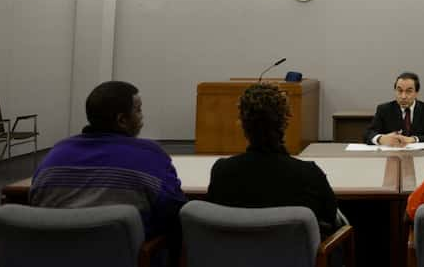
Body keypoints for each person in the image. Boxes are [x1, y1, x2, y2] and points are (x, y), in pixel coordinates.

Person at [30, 81, 186, 240]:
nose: (142, 116)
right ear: (122, 120)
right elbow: (175, 211)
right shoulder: (150, 155)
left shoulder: (55, 154)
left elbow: (35, 203)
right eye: (138, 110)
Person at [206, 83, 338, 233]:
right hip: (294, 256)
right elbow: (330, 218)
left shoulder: (222, 172)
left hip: (234, 255)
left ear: (243, 123)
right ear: (285, 122)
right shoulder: (309, 174)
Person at [364, 72, 424, 146]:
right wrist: (381, 139)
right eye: (399, 91)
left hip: (419, 157)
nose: (403, 96)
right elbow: (368, 134)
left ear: (416, 93)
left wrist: (413, 139)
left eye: (409, 91)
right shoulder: (384, 109)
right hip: (391, 156)